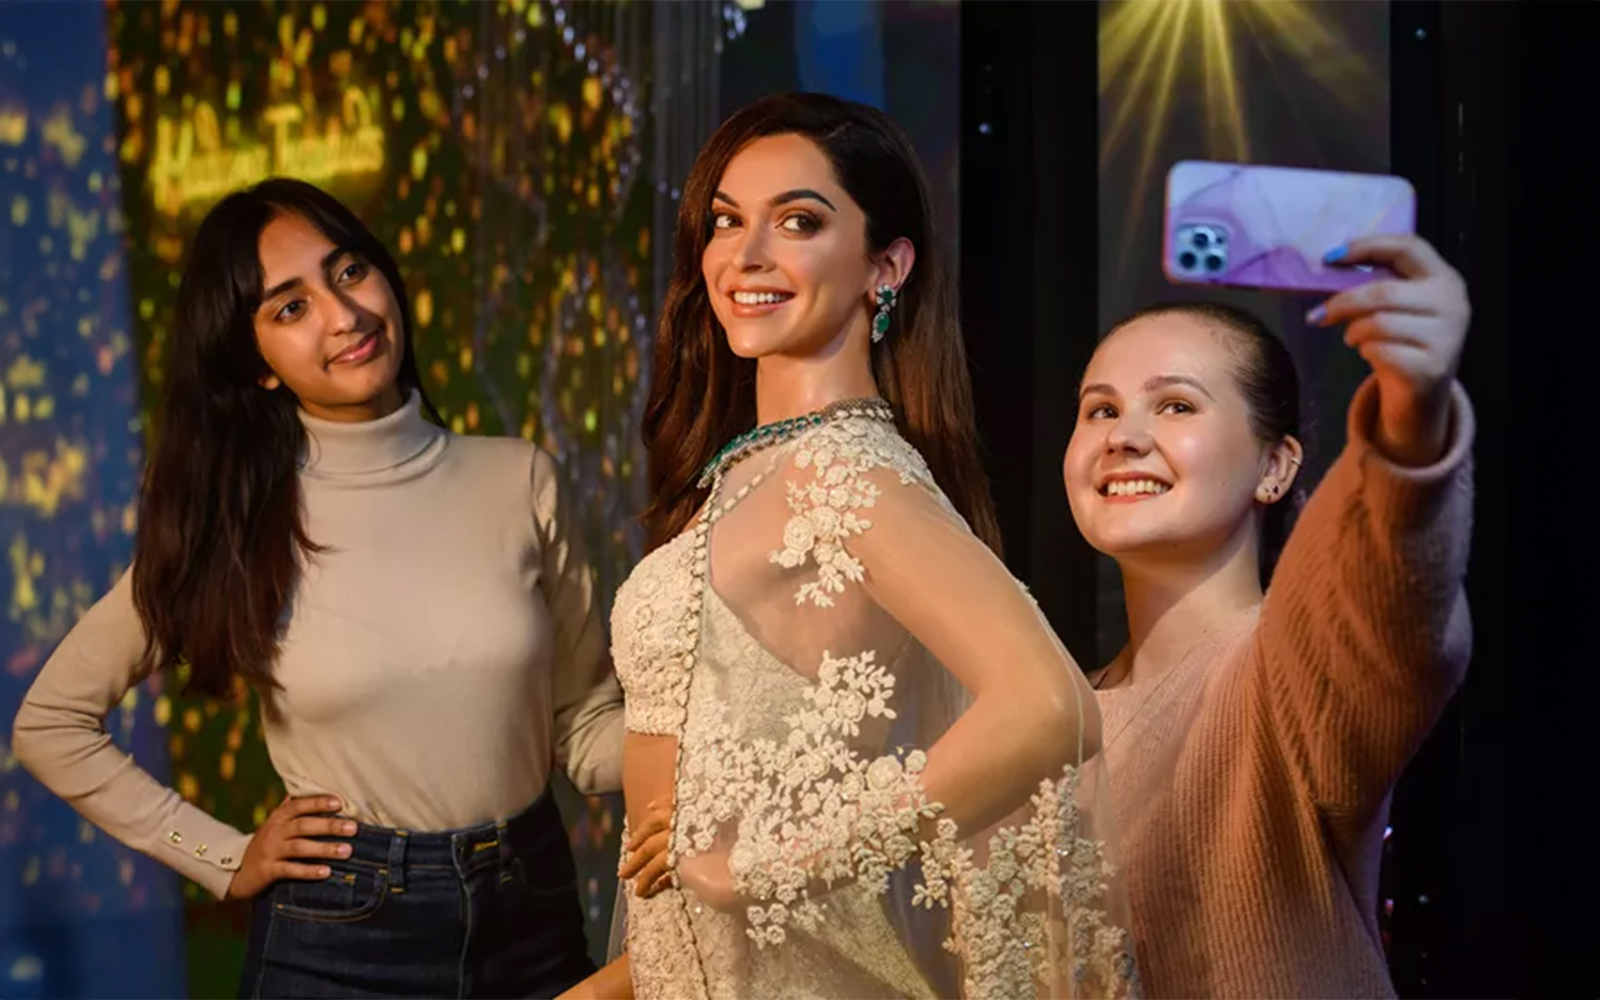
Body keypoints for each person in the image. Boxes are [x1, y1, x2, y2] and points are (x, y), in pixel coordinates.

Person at [559, 93, 1138, 1000]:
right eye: (724, 221)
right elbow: (691, 869)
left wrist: (753, 864)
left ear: (887, 265)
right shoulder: (749, 473)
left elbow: (1052, 707)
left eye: (797, 221)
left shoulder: (848, 475)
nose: (745, 255)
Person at [12, 177, 647, 999]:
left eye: (348, 273)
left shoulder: (519, 478)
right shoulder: (235, 524)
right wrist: (222, 856)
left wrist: (749, 725)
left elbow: (587, 730)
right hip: (341, 937)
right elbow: (50, 722)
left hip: (533, 912)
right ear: (257, 365)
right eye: (289, 308)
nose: (343, 315)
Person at [1061, 235, 1474, 998]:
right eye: (1100, 409)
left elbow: (1388, 610)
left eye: (1176, 404)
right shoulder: (1050, 713)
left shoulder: (1283, 673)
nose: (1124, 437)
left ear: (1277, 466)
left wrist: (1410, 427)